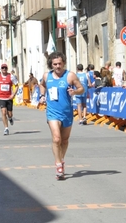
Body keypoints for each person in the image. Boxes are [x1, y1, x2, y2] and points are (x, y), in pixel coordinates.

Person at [39, 52, 84, 180]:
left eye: (59, 63)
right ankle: (58, 165)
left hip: (67, 113)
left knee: (64, 140)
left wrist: (75, 91)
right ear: (51, 65)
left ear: (63, 63)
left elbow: (82, 89)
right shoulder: (47, 76)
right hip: (52, 112)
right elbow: (42, 85)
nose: (57, 66)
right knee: (57, 139)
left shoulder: (70, 76)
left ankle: (61, 159)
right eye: (55, 64)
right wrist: (42, 95)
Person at [0, 63, 19, 135]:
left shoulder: (11, 76)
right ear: (1, 69)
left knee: (10, 114)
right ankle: (6, 128)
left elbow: (17, 85)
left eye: (5, 68)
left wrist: (13, 95)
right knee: (3, 112)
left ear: (7, 69)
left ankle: (10, 118)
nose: (4, 69)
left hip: (9, 98)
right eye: (3, 68)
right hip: (1, 97)